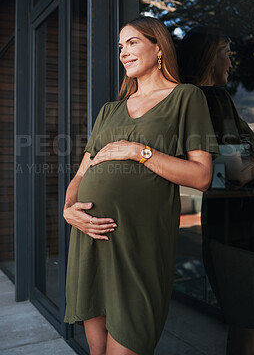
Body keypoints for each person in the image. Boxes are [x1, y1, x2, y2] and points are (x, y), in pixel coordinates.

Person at [63, 17, 218, 355]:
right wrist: (68, 211)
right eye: (120, 47)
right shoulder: (109, 111)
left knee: (129, 342)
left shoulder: (186, 98)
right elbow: (79, 176)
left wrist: (139, 152)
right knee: (96, 347)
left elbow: (201, 177)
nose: (123, 52)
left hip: (138, 243)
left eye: (131, 43)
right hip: (91, 238)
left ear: (159, 47)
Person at [178, 26, 254, 355]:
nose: (231, 62)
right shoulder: (212, 99)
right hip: (248, 227)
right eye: (226, 52)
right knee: (247, 323)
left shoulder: (187, 101)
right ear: (208, 58)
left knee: (242, 322)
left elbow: (218, 173)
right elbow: (238, 173)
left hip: (223, 223)